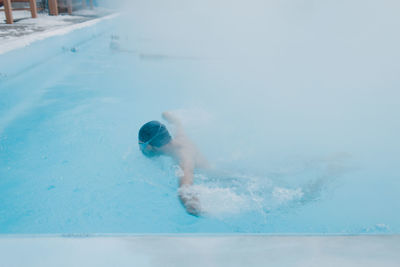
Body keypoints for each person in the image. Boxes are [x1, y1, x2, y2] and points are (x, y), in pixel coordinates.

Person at [138, 112, 207, 216]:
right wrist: (167, 115)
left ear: (152, 147)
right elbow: (177, 123)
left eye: (144, 147)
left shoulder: (184, 157)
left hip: (216, 177)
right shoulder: (179, 137)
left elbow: (186, 184)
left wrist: (190, 204)